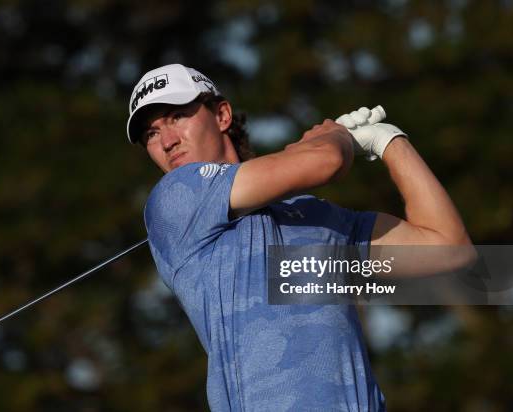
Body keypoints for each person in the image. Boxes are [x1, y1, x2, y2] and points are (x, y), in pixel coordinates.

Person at [126, 64, 472, 411]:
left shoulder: (315, 217)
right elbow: (327, 160)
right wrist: (336, 135)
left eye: (177, 117)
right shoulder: (173, 197)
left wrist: (388, 140)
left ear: (221, 115)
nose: (167, 142)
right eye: (151, 134)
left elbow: (448, 249)